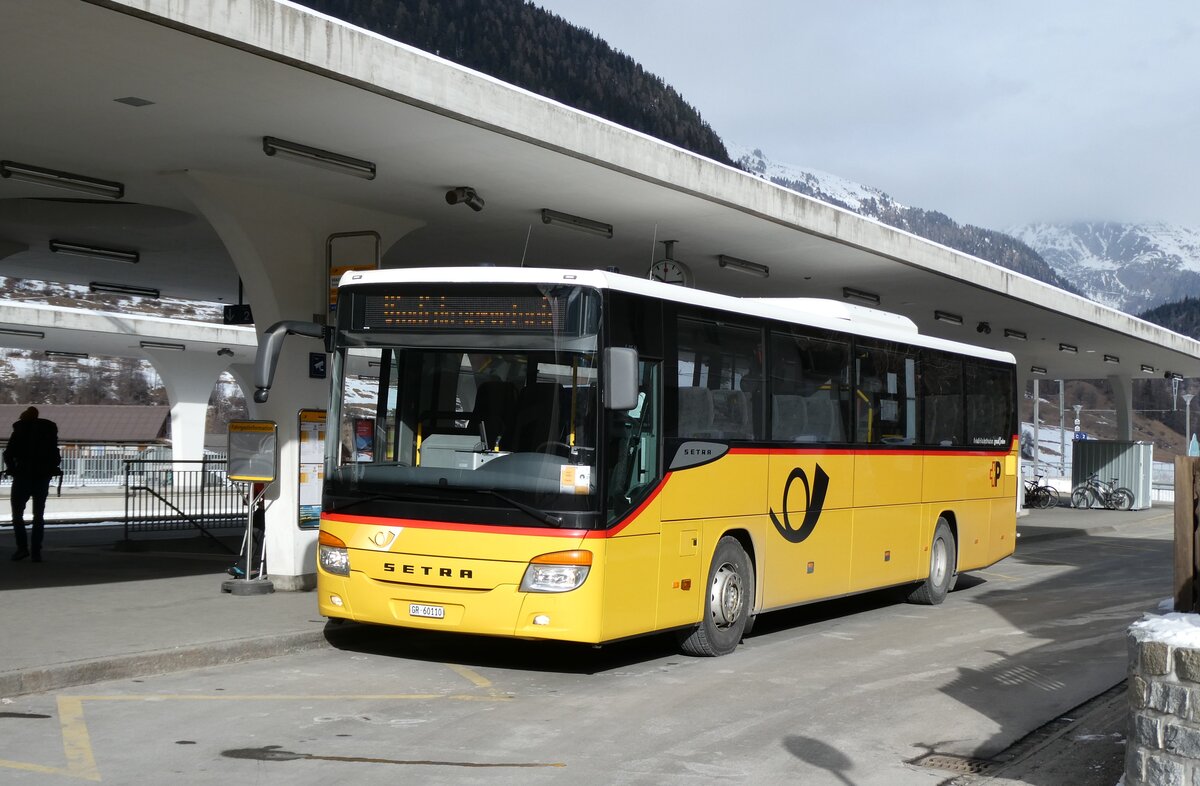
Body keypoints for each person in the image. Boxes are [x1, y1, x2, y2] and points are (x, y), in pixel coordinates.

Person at [3, 406, 61, 562]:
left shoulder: (20, 429)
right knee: (38, 516)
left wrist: (12, 468)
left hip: (23, 476)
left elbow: (8, 453)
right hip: (42, 477)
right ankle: (36, 551)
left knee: (17, 515)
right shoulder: (48, 431)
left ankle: (22, 548)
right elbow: (56, 456)